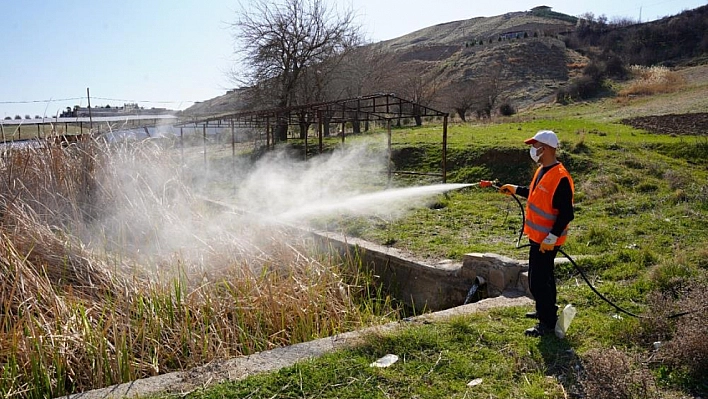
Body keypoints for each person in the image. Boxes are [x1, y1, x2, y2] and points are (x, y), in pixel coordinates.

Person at [499, 130, 575, 337]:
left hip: (547, 240)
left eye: (536, 145)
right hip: (539, 237)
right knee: (545, 277)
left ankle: (547, 323)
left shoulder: (560, 177)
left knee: (537, 281)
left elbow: (567, 213)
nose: (533, 149)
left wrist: (551, 238)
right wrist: (515, 189)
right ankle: (546, 309)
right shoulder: (543, 170)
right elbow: (534, 194)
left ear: (548, 148)